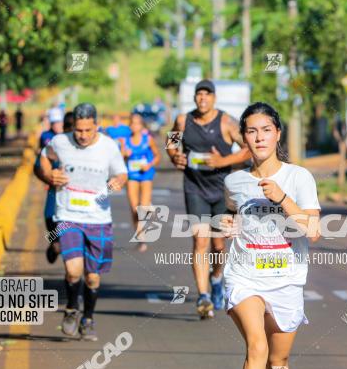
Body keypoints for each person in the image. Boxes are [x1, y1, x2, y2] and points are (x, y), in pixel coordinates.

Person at [219, 102, 321, 369]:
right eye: (251, 131)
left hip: (287, 279)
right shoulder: (234, 180)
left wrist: (282, 198)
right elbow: (231, 214)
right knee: (256, 347)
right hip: (244, 274)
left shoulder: (298, 178)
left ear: (277, 134)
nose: (259, 137)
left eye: (265, 129)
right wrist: (228, 226)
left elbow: (313, 230)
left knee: (278, 364)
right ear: (244, 138)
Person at [36, 103, 127, 341]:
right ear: (73, 127)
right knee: (72, 270)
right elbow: (42, 159)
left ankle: (88, 318)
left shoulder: (108, 146)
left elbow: (122, 172)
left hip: (98, 219)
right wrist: (48, 174)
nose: (83, 136)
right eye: (79, 130)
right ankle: (71, 309)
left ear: (96, 125)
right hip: (68, 216)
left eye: (88, 130)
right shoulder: (60, 142)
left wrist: (118, 181)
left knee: (93, 276)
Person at [167, 80, 250, 319]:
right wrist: (175, 157)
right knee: (200, 241)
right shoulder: (183, 120)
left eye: (207, 95)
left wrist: (223, 162)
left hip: (221, 190)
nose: (202, 99)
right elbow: (171, 142)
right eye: (199, 95)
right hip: (195, 188)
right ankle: (203, 296)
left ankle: (216, 279)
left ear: (214, 98)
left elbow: (247, 149)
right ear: (195, 98)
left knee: (218, 245)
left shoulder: (226, 122)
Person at [123, 112, 160, 252]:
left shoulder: (148, 139)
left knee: (142, 208)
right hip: (132, 175)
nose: (134, 126)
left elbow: (157, 156)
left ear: (141, 125)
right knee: (134, 209)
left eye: (137, 123)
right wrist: (124, 155)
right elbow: (118, 159)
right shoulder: (124, 140)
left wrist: (149, 165)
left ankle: (148, 207)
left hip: (146, 175)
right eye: (132, 123)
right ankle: (141, 238)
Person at [35, 108, 66, 263]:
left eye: (59, 122)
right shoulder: (46, 137)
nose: (57, 125)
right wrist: (48, 178)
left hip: (74, 191)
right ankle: (55, 242)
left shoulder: (73, 138)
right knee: (50, 216)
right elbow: (39, 161)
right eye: (54, 123)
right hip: (54, 185)